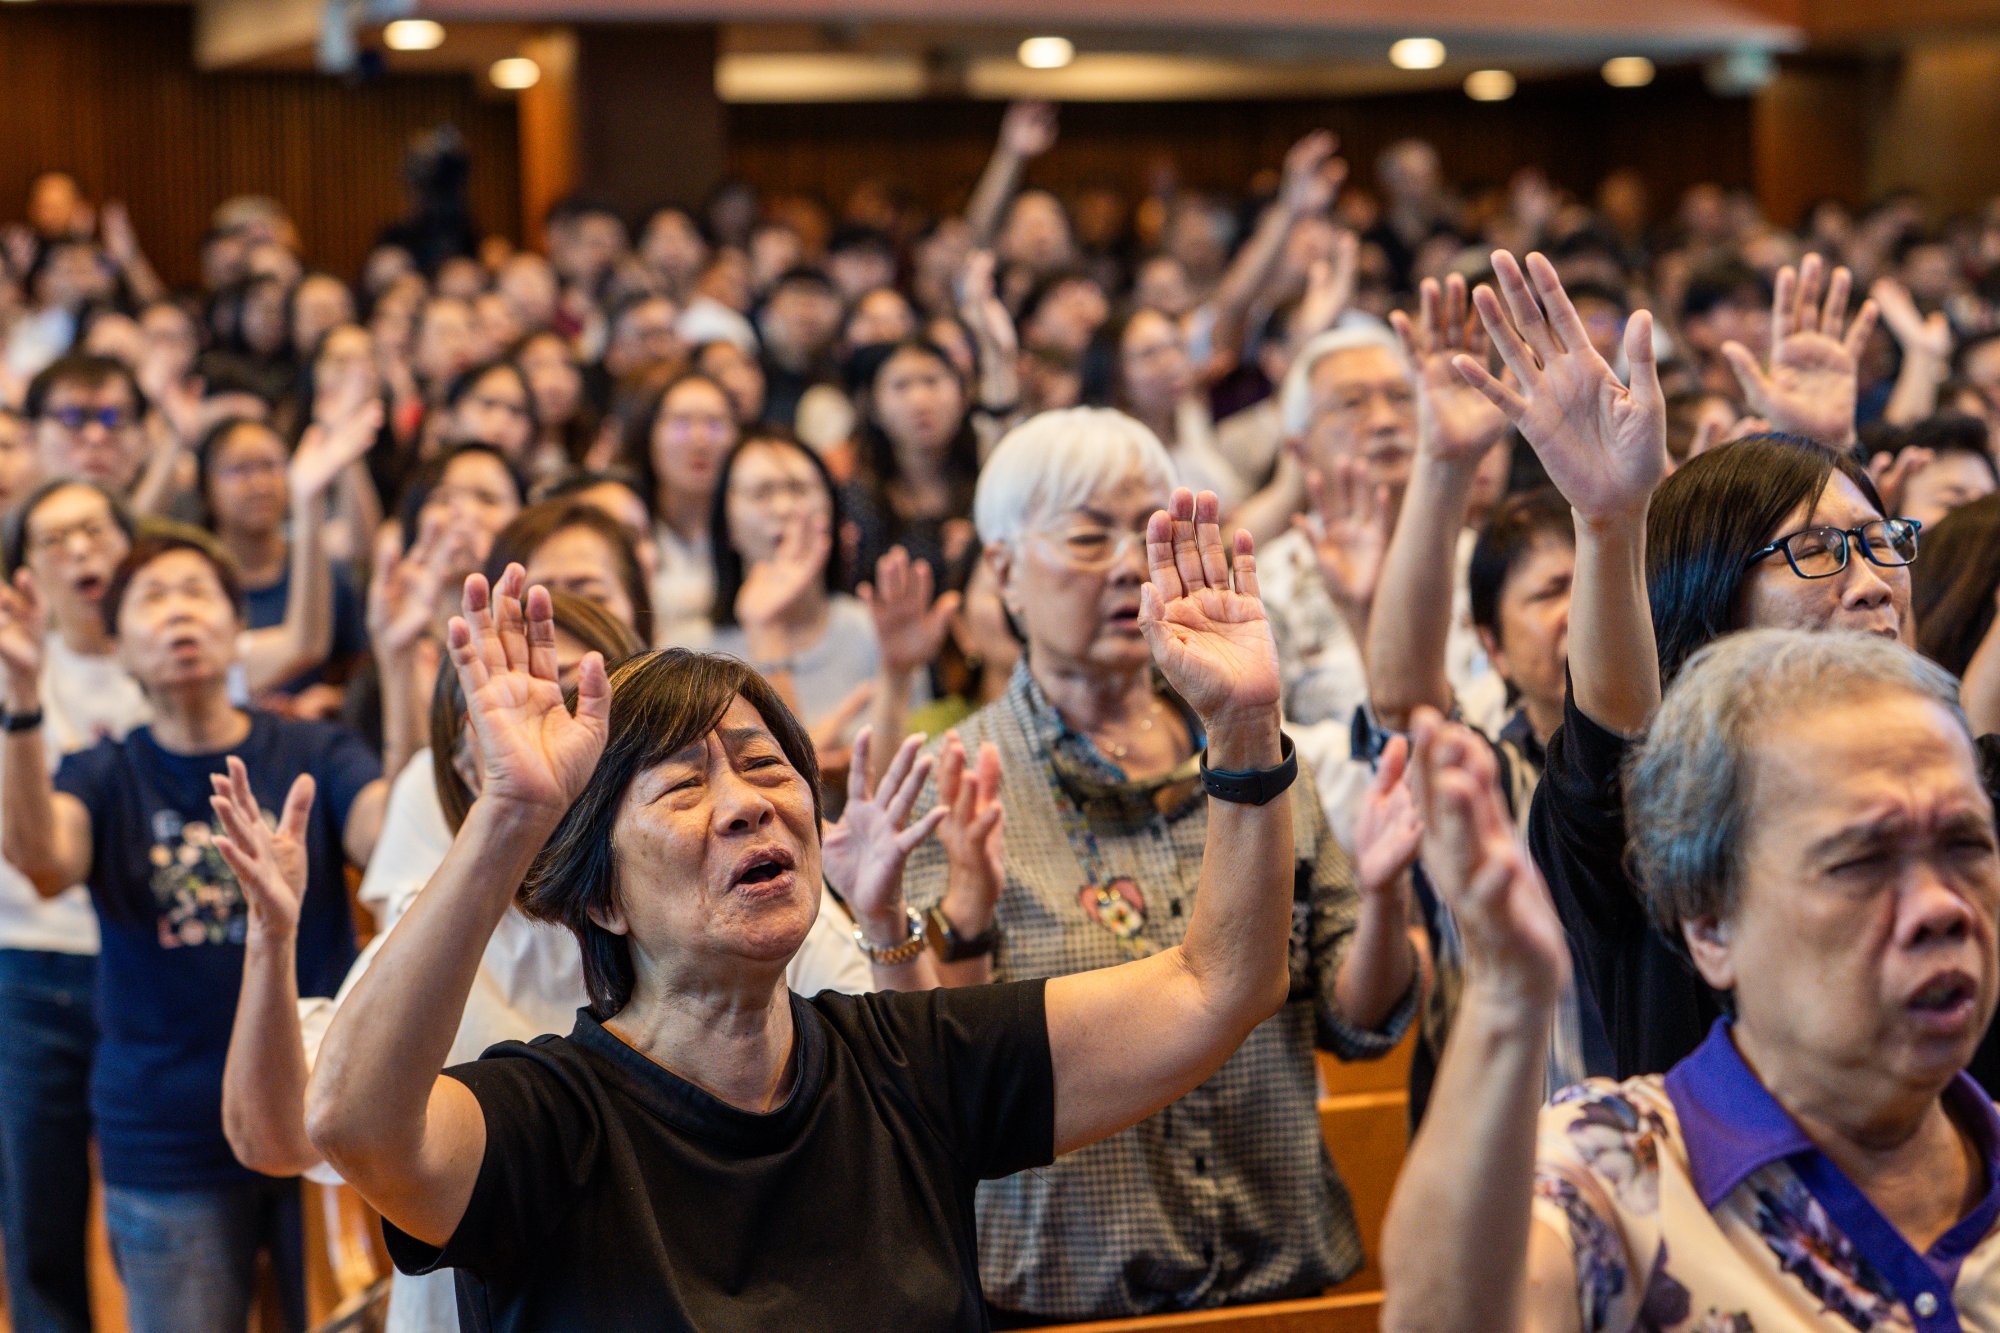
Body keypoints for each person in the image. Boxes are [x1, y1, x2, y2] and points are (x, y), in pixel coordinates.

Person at [304, 481, 1303, 1329]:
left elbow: (1221, 983)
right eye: (684, 786)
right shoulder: (546, 1123)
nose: (746, 804)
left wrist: (1244, 729)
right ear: (601, 898)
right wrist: (515, 817)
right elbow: (354, 1121)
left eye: (763, 765)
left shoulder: (914, 1065)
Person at [898, 408, 1419, 1323]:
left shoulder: (1254, 748)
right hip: (1066, 1297)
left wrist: (1382, 895)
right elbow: (930, 1077)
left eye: (1146, 534)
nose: (1126, 565)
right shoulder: (951, 785)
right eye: (1087, 534)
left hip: (1289, 1276)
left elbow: (1356, 1016)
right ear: (1005, 572)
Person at [1382, 631, 2000, 1332]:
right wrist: (1506, 997)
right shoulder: (1616, 1170)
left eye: (1966, 844)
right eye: (1861, 861)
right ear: (1709, 926)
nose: (1941, 907)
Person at [0, 531, 386, 1333]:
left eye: (197, 592)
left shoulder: (316, 750)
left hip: (323, 1113)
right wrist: (23, 700)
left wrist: (408, 668)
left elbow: (393, 842)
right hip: (166, 1130)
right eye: (152, 597)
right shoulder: (101, 773)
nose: (178, 610)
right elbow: (42, 860)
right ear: (118, 648)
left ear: (238, 627)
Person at [707, 429, 884, 758]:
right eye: (762, 493)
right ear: (725, 524)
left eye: (799, 489)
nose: (786, 508)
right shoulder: (692, 652)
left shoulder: (875, 628)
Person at [839, 338, 981, 584]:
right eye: (901, 386)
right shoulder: (856, 503)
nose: (920, 401)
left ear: (963, 395)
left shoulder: (989, 488)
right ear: (873, 407)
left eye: (932, 381)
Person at [623, 371, 738, 646]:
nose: (700, 440)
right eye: (681, 424)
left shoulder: (752, 530)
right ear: (649, 435)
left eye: (714, 425)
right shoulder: (625, 525)